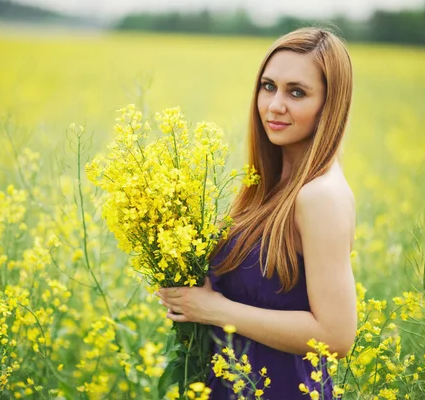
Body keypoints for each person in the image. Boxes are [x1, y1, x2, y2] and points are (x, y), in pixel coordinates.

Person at [156, 27, 357, 399]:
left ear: (330, 105)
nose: (275, 105)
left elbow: (336, 336)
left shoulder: (320, 196)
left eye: (296, 92)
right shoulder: (268, 187)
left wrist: (214, 309)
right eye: (268, 86)